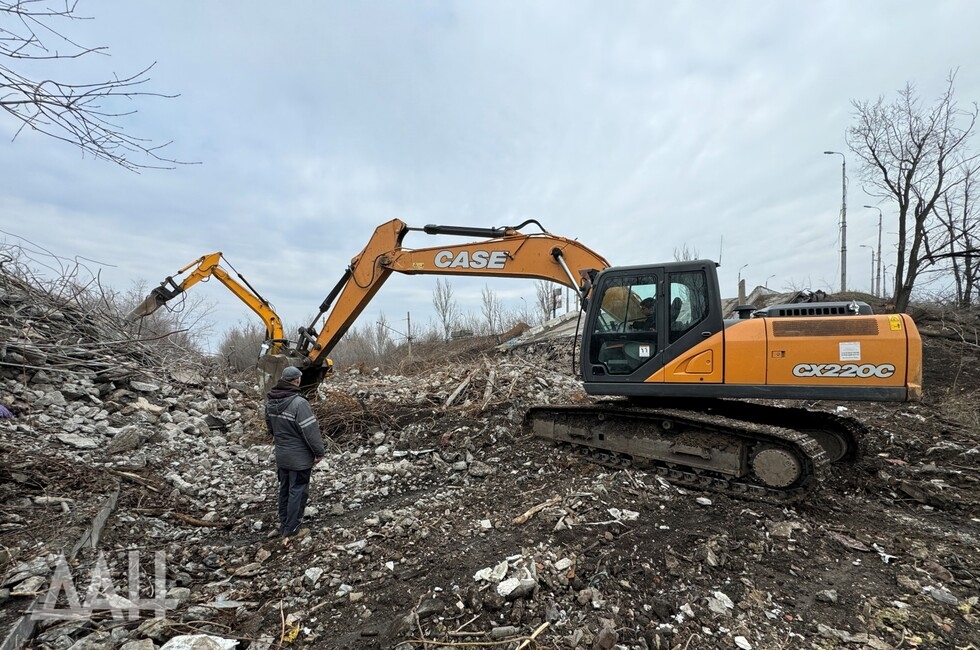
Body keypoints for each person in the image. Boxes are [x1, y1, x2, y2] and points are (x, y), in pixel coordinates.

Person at [265, 366, 325, 541]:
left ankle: (284, 524)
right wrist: (319, 451)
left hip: (282, 456)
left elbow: (271, 428)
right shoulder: (299, 403)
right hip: (299, 458)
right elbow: (310, 431)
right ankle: (292, 530)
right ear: (297, 380)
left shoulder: (270, 401)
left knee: (285, 490)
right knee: (298, 492)